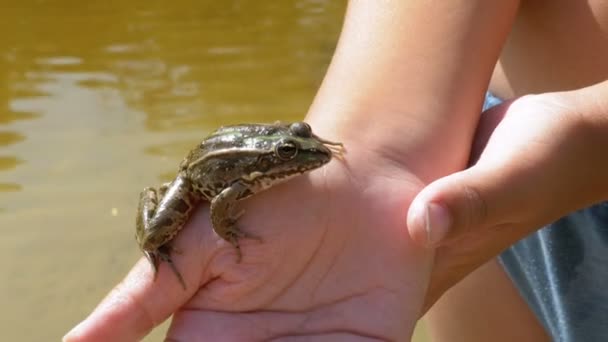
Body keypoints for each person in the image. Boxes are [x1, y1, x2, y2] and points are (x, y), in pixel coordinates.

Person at [64, 1, 608, 341]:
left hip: (512, 165)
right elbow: (225, 195)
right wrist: (383, 142)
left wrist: (589, 133)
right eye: (293, 155)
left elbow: (238, 195)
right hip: (468, 157)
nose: (306, 156)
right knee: (161, 230)